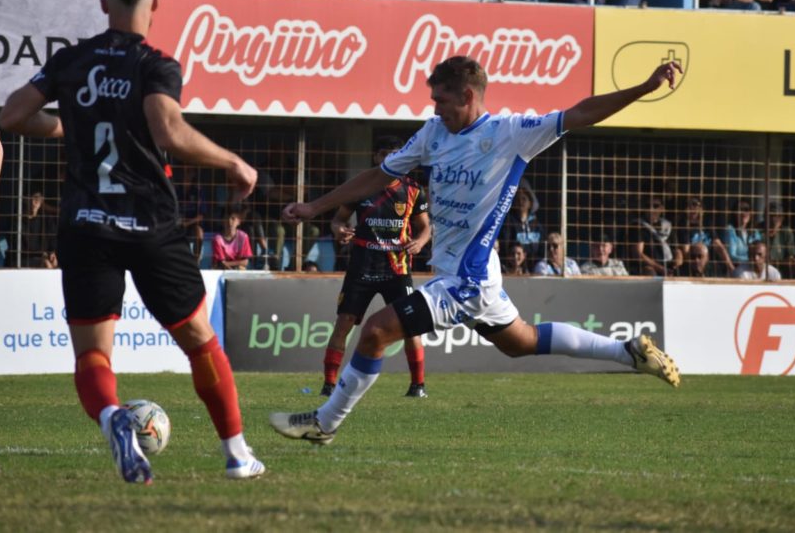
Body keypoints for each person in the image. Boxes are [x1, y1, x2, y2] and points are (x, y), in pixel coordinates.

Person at [270, 55, 683, 446]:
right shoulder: (433, 133)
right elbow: (380, 175)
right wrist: (315, 207)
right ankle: (627, 352)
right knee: (520, 341)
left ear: (467, 95)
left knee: (376, 331)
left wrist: (644, 88)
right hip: (468, 272)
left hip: (468, 278)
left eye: (441, 100)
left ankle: (325, 423)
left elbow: (580, 113)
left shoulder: (510, 133)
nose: (435, 109)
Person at [0, 0, 265, 483]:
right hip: (150, 223)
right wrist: (233, 161)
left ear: (104, 2)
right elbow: (169, 131)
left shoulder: (71, 60)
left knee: (93, 356)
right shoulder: (155, 64)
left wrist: (67, 126)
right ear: (156, 2)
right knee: (199, 339)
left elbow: (11, 115)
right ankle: (237, 456)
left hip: (85, 224)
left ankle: (111, 417)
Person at [320, 135, 431, 399]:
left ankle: (418, 385)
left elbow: (425, 227)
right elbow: (337, 220)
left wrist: (419, 242)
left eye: (395, 153)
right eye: (384, 154)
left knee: (411, 325)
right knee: (344, 323)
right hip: (362, 267)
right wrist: (339, 230)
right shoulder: (361, 187)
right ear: (375, 157)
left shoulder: (413, 190)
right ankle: (329, 385)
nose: (390, 159)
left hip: (397, 269)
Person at [763, 201, 795, 279]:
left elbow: (790, 257)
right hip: (763, 267)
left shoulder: (786, 232)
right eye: (771, 215)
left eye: (777, 216)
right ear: (765, 217)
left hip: (782, 268)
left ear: (782, 218)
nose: (774, 219)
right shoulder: (757, 231)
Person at [499, 186, 543, 262]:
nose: (520, 202)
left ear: (530, 203)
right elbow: (505, 246)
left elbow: (542, 246)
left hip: (536, 263)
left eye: (524, 199)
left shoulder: (536, 225)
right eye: (517, 199)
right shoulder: (508, 223)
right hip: (515, 262)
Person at [718, 199, 762, 276]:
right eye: (740, 210)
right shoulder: (730, 230)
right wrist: (751, 260)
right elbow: (732, 256)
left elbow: (760, 252)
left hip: (754, 269)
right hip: (737, 269)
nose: (743, 213)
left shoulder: (755, 232)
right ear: (735, 213)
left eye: (746, 210)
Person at [634, 195, 675, 276]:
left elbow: (676, 249)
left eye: (655, 206)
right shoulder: (638, 226)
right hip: (650, 266)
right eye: (648, 206)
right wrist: (661, 269)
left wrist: (677, 260)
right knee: (649, 272)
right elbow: (637, 254)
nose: (651, 209)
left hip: (669, 264)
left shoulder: (667, 225)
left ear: (662, 208)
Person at [21, 190, 57, 267]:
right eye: (30, 199)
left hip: (44, 257)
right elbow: (22, 249)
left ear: (41, 201)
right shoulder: (18, 221)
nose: (33, 202)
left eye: (37, 199)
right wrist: (42, 256)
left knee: (55, 262)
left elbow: (52, 241)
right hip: (24, 259)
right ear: (25, 200)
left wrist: (52, 252)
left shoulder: (47, 220)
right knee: (46, 264)